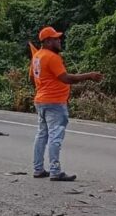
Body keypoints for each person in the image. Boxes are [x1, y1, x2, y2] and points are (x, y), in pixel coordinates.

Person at [30, 26, 104, 181]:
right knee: (55, 137)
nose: (59, 41)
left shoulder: (37, 56)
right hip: (54, 102)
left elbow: (32, 77)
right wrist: (89, 76)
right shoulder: (52, 57)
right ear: (48, 41)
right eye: (56, 39)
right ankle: (55, 171)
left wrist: (42, 87)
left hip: (41, 100)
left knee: (42, 135)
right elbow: (66, 78)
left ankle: (38, 169)